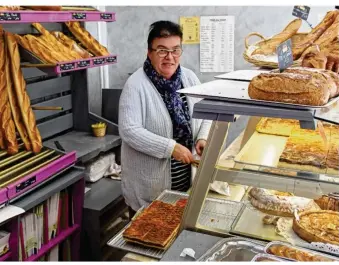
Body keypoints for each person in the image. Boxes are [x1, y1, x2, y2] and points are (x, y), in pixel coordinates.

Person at [118, 20, 212, 217]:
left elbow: (206, 113)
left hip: (185, 184)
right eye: (162, 50)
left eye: (175, 50)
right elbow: (129, 130)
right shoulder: (135, 85)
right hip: (149, 191)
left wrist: (202, 137)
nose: (170, 57)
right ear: (149, 52)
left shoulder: (189, 78)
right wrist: (171, 148)